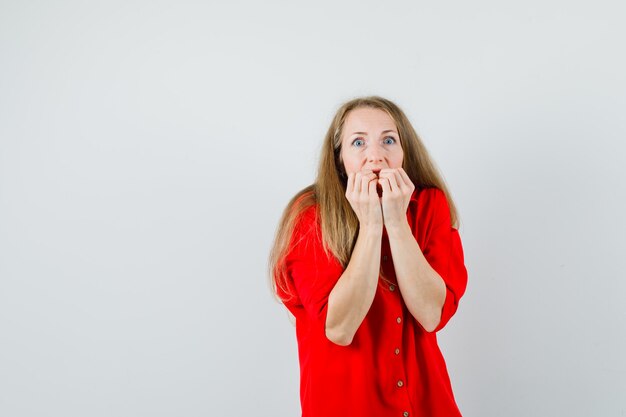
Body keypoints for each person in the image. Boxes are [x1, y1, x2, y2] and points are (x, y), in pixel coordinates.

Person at [269, 96, 468, 417]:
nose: (375, 156)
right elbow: (340, 328)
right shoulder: (311, 216)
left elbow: (432, 315)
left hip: (426, 406)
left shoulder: (430, 206)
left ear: (405, 153)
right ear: (340, 159)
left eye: (389, 140)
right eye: (358, 143)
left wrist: (397, 220)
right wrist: (372, 224)